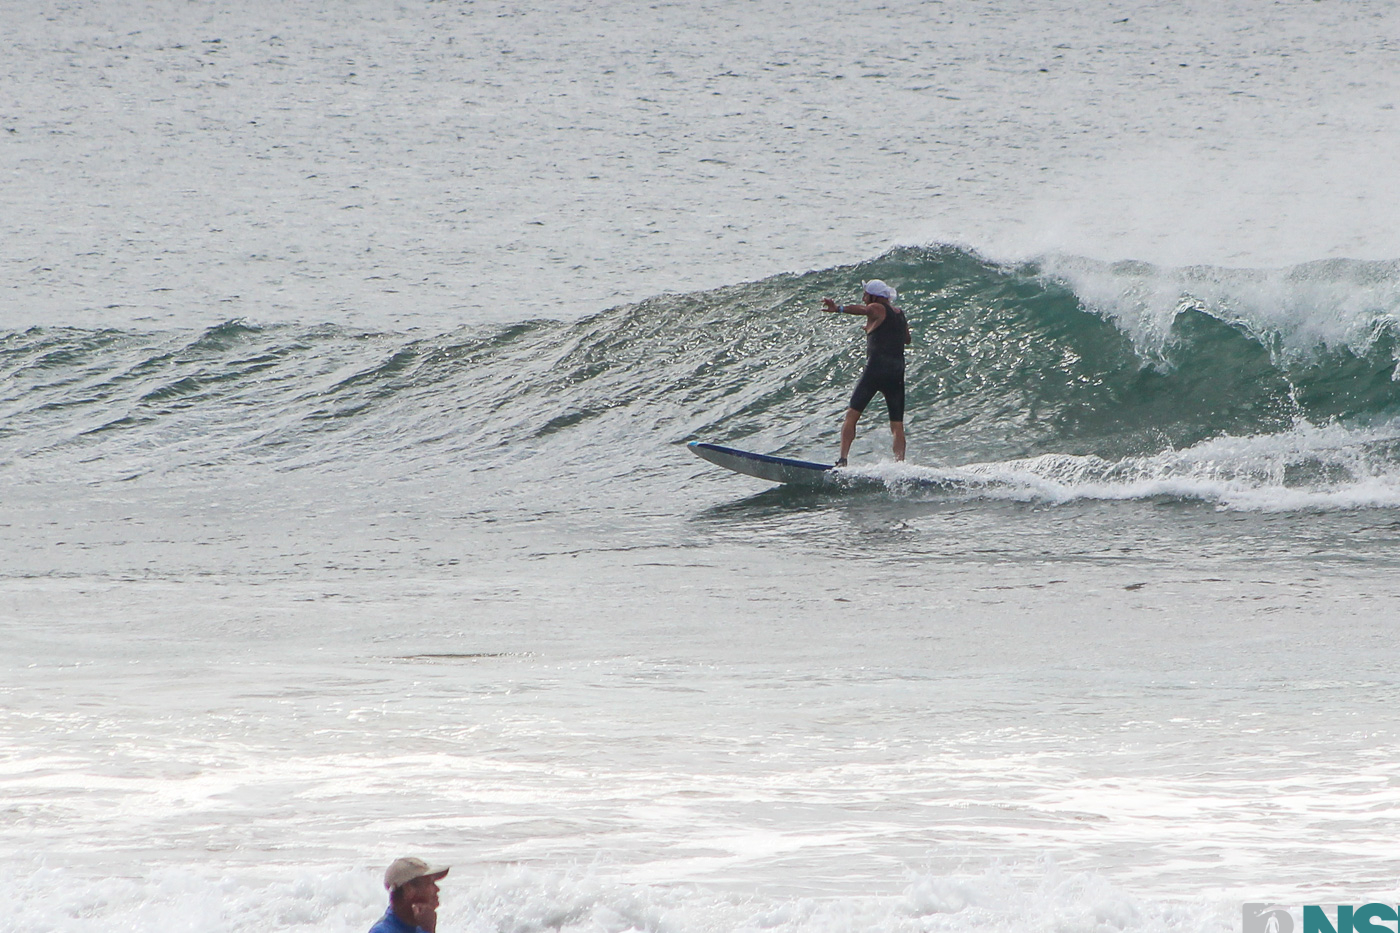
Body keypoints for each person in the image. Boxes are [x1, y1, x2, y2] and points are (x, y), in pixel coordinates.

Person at [821, 279, 912, 465]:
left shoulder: (877, 308)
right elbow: (906, 339)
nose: (864, 299)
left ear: (875, 297)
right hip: (896, 372)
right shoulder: (900, 314)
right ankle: (900, 465)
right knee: (897, 424)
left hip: (876, 369)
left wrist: (838, 308)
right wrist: (875, 330)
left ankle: (842, 459)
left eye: (866, 295)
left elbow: (864, 310)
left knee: (852, 415)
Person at [368, 857, 450, 933]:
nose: (437, 889)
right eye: (430, 883)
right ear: (408, 889)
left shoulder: (415, 926)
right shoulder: (381, 931)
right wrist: (429, 930)